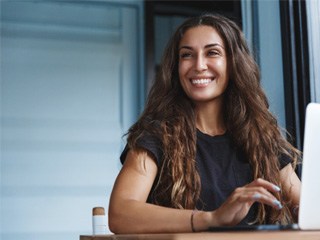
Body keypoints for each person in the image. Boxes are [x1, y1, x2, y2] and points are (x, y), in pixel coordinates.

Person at [108, 13, 301, 234]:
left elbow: (306, 208)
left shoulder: (261, 136)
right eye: (187, 55)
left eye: (212, 53)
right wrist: (212, 218)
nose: (199, 65)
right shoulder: (155, 135)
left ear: (233, 63)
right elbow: (120, 214)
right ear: (175, 67)